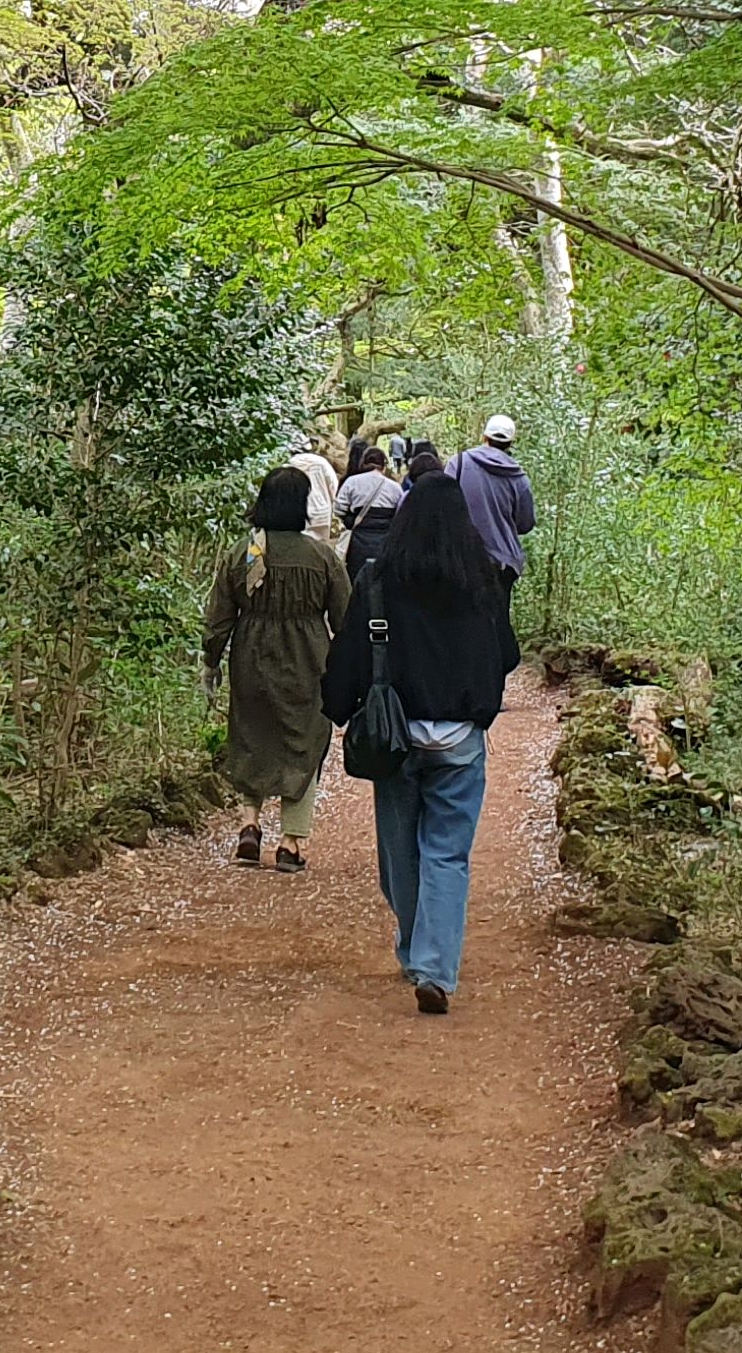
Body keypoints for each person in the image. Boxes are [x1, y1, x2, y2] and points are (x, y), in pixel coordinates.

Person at [322, 471, 518, 1010]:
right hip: (459, 738)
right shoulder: (485, 581)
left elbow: (350, 658)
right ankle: (434, 967)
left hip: (396, 736)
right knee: (448, 856)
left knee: (399, 853)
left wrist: (335, 709)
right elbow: (508, 656)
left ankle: (416, 951)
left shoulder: (380, 580)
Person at [201, 467, 351, 871]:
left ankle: (249, 825)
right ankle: (290, 842)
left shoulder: (242, 552)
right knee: (304, 741)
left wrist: (211, 662)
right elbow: (345, 619)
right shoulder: (321, 556)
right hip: (308, 659)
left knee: (252, 736)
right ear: (302, 506)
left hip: (251, 656)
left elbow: (218, 617)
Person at [455, 413, 536, 604]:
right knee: (498, 621)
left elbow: (441, 505)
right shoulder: (519, 478)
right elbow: (526, 523)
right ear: (510, 444)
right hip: (503, 562)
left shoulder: (458, 463)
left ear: (484, 437)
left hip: (462, 558)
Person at [333, 433, 404, 568]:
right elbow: (400, 512)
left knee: (356, 572)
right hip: (385, 539)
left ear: (363, 463)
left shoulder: (352, 482)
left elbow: (338, 508)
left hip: (358, 538)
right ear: (383, 465)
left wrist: (349, 520)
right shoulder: (395, 487)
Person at [288, 444, 344, 550]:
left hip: (298, 511)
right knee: (321, 548)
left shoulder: (289, 464)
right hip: (322, 512)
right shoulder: (321, 462)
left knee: (300, 547)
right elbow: (333, 486)